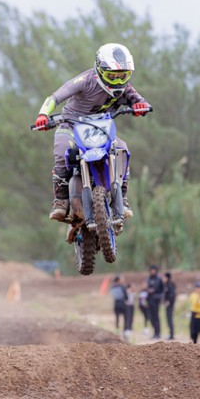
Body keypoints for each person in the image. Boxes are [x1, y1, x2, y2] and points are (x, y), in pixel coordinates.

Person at [33, 43, 152, 222]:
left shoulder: (126, 88)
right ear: (100, 69)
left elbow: (140, 101)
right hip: (71, 125)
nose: (118, 81)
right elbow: (55, 97)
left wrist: (140, 106)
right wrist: (43, 114)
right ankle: (61, 200)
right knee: (62, 150)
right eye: (112, 76)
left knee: (122, 149)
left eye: (123, 76)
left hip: (101, 129)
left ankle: (122, 197)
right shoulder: (85, 80)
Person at [146, 265, 164, 339]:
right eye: (151, 270)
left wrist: (155, 292)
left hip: (156, 300)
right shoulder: (149, 279)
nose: (152, 272)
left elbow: (162, 289)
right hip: (150, 300)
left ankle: (158, 333)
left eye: (153, 270)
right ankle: (155, 332)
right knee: (151, 317)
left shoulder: (159, 279)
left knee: (156, 317)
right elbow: (147, 288)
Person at [163, 272, 176, 340]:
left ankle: (172, 334)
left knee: (169, 319)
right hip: (167, 305)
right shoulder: (166, 285)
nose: (163, 279)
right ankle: (170, 334)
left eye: (164, 277)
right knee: (168, 319)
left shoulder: (170, 285)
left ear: (167, 278)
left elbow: (172, 295)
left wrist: (169, 302)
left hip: (170, 305)